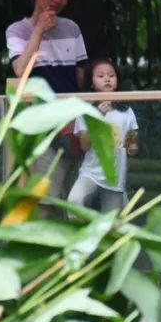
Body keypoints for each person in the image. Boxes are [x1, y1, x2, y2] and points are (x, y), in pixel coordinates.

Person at [7, 0, 89, 200]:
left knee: (73, 199)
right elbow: (20, 71)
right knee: (45, 199)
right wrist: (39, 30)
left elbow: (81, 77)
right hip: (41, 128)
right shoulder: (17, 31)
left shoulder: (72, 28)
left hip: (73, 127)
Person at [67, 59, 139, 211]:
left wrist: (132, 146)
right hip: (90, 173)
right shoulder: (86, 110)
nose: (107, 79)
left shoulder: (127, 111)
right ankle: (84, 235)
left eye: (111, 75)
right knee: (73, 203)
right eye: (101, 76)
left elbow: (131, 146)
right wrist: (98, 116)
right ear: (91, 83)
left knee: (109, 225)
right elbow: (85, 145)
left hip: (115, 176)